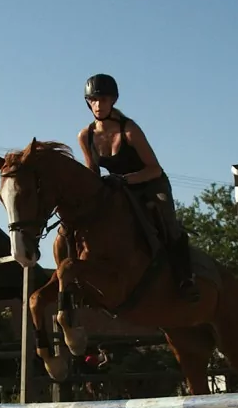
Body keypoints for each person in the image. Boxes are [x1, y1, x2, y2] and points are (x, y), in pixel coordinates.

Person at [77, 73, 199, 302]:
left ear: (112, 101)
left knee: (168, 222)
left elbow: (154, 169)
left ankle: (186, 278)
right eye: (93, 100)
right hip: (118, 187)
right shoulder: (85, 136)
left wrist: (125, 180)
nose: (98, 105)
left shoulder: (130, 130)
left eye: (103, 99)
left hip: (150, 183)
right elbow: (92, 173)